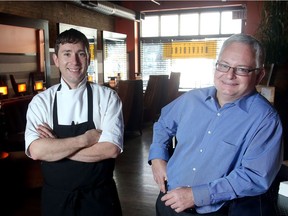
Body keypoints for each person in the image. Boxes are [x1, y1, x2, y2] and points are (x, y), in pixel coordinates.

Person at [148, 34, 283, 216]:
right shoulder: (191, 99)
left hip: (214, 210)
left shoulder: (266, 120)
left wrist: (196, 196)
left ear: (259, 75)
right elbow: (163, 124)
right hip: (167, 199)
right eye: (224, 65)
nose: (229, 75)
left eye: (242, 69)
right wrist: (157, 158)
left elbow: (254, 176)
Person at [25, 28, 124, 216]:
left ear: (88, 57)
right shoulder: (41, 102)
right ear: (56, 60)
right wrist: (85, 140)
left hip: (100, 200)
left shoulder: (108, 98)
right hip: (56, 201)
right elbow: (37, 151)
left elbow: (110, 149)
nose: (75, 61)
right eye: (67, 54)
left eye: (80, 54)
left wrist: (55, 147)